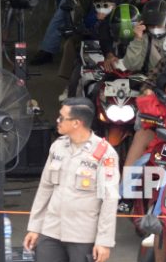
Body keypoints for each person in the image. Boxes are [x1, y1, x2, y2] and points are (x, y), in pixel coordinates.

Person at [24, 97, 119, 262]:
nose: (57, 120)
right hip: (51, 230)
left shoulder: (104, 153)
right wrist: (35, 227)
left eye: (62, 117)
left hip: (82, 235)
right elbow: (45, 188)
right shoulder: (58, 146)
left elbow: (109, 200)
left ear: (77, 123)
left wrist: (104, 241)